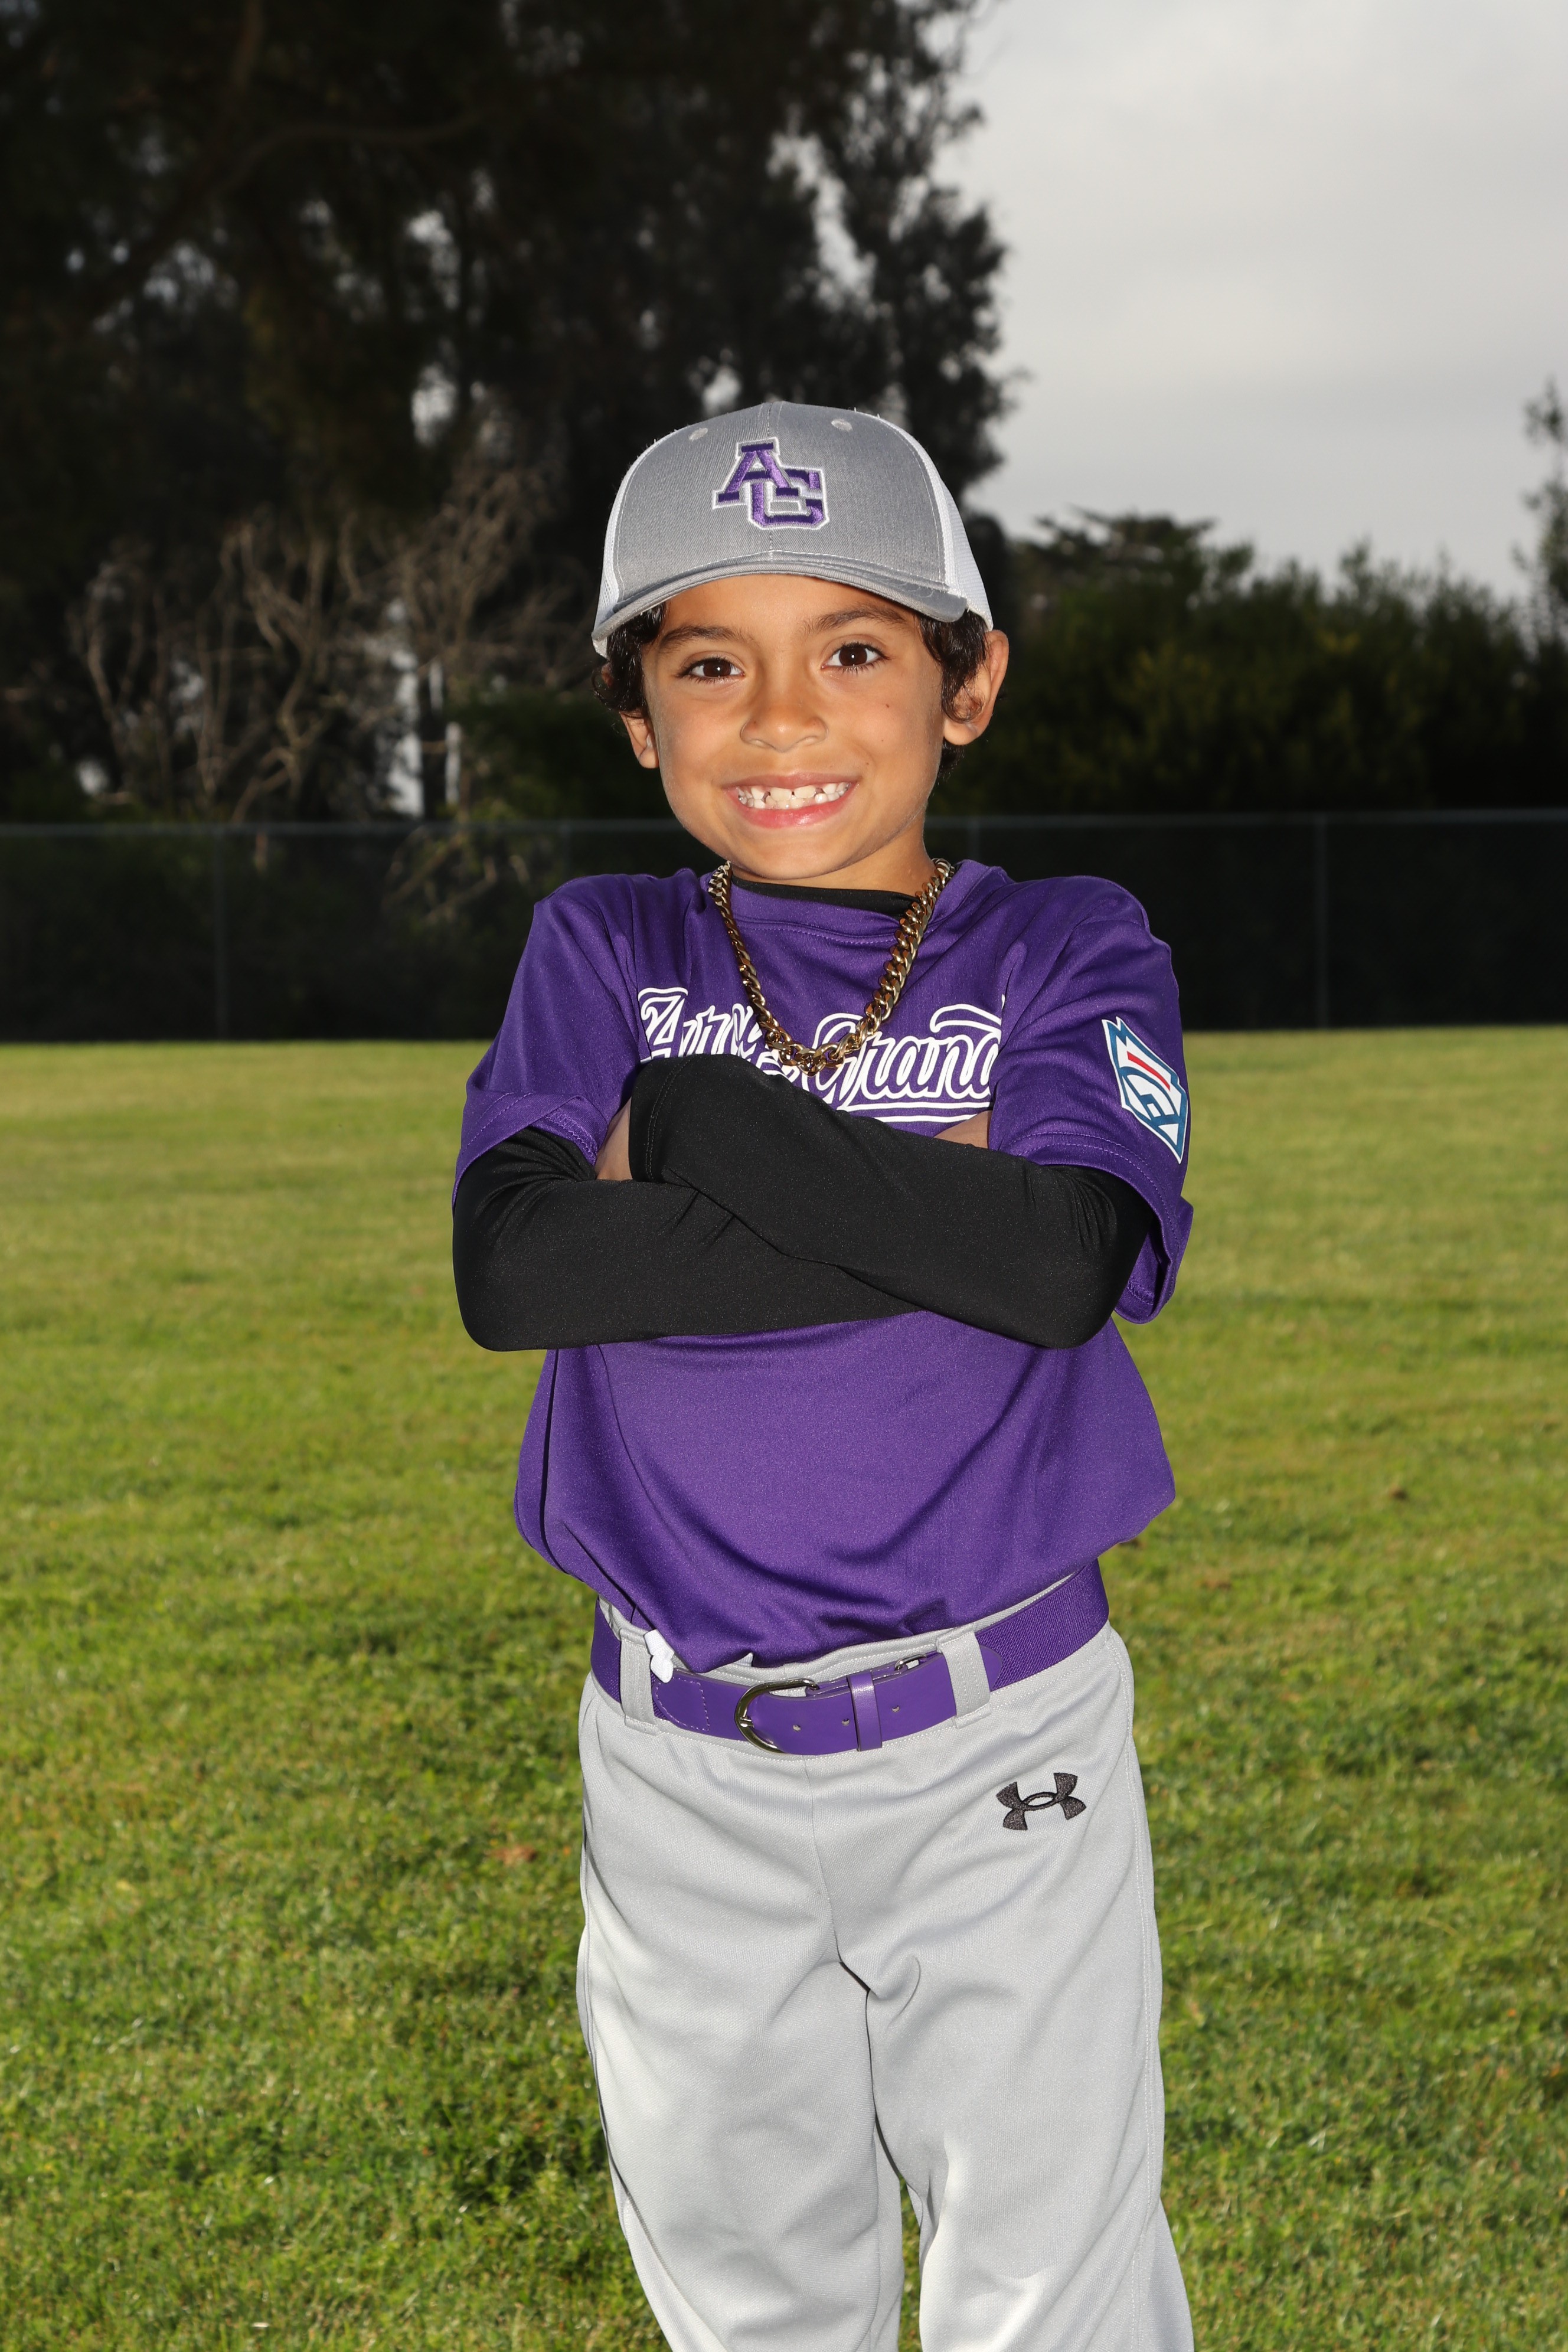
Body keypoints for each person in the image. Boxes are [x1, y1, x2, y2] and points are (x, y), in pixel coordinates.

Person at [452, 401, 1196, 2352]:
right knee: (751, 2302)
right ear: (636, 715)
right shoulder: (601, 946)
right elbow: (520, 1270)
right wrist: (929, 1204)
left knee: (1056, 2297)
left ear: (970, 683)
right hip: (677, 1757)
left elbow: (1056, 1265)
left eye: (854, 648)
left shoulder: (1063, 949)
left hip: (999, 1738)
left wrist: (696, 1123)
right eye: (712, 664)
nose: (782, 718)